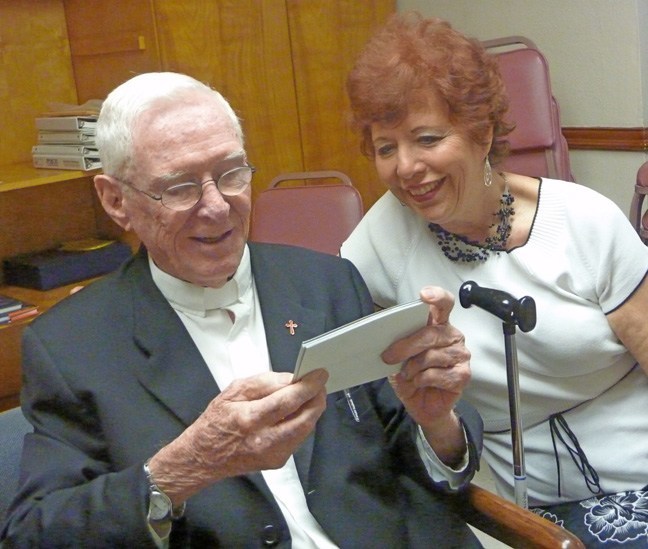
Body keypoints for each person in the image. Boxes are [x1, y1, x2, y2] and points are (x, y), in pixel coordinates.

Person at [1, 72, 484, 548]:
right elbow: (34, 532)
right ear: (116, 201)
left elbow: (411, 457)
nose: (217, 206)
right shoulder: (70, 346)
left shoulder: (327, 283)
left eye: (231, 173)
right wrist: (181, 470)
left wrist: (437, 421)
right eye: (179, 187)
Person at [340, 12, 648, 547]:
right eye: (386, 148)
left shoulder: (583, 222)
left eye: (427, 138)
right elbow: (325, 328)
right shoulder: (383, 237)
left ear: (481, 134)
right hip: (508, 510)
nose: (407, 167)